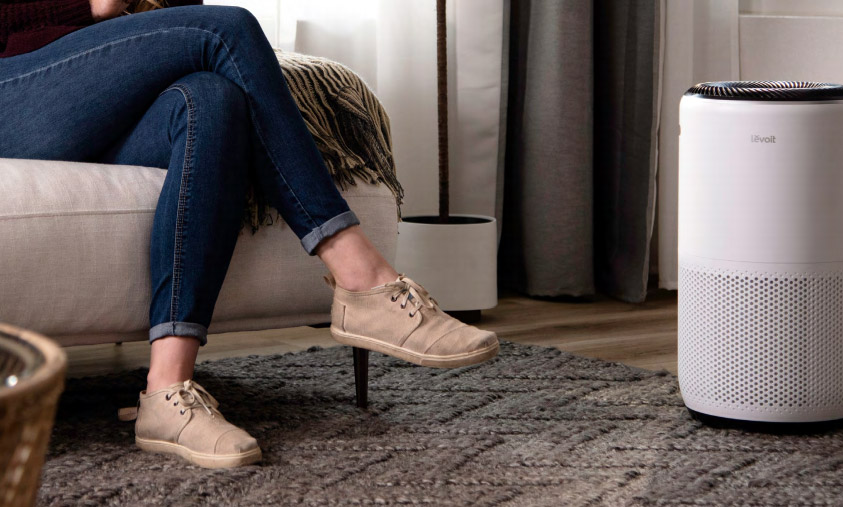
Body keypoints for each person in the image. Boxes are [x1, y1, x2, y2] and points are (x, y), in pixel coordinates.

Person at [0, 0, 499, 468]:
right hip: (14, 89)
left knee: (213, 101)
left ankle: (166, 391)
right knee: (229, 27)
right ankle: (360, 275)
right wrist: (88, 6)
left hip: (100, 99)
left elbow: (180, 16)